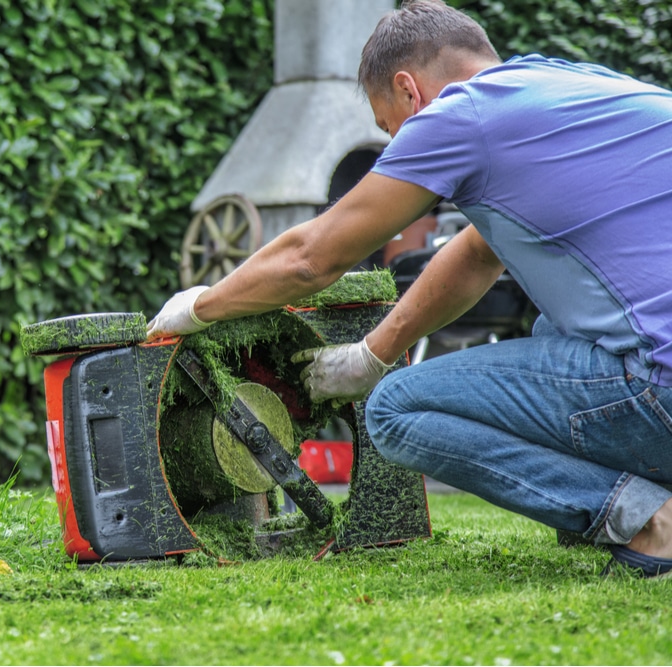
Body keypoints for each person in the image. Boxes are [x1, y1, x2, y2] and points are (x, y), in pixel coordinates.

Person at [146, 0, 672, 578]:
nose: (396, 143)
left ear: (409, 90)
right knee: (556, 325)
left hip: (661, 387)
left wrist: (199, 305)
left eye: (388, 127)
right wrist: (374, 353)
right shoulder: (566, 81)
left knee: (396, 409)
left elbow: (310, 259)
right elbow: (475, 253)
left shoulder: (459, 115)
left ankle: (651, 522)